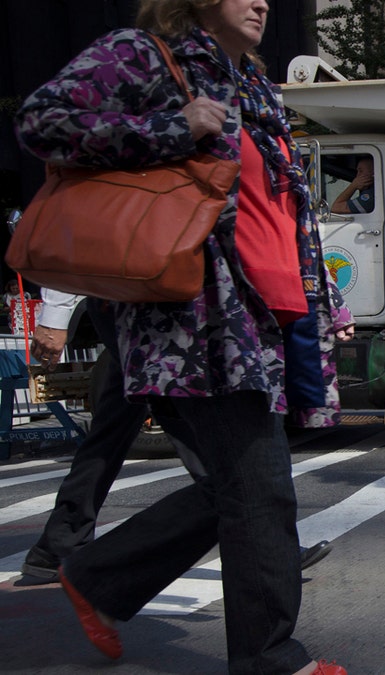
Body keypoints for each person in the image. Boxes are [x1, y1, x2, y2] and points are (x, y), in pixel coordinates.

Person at [15, 1, 352, 672]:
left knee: (233, 486)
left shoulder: (253, 82)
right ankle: (269, 657)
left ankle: (99, 578)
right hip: (197, 324)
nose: (261, 1)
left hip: (264, 320)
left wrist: (323, 298)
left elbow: (278, 206)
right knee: (260, 487)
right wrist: (172, 126)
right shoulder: (146, 57)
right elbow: (41, 121)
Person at [18, 289, 333, 587]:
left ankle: (58, 545)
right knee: (190, 426)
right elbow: (76, 235)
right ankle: (268, 544)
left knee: (114, 428)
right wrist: (54, 316)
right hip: (133, 300)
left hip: (149, 301)